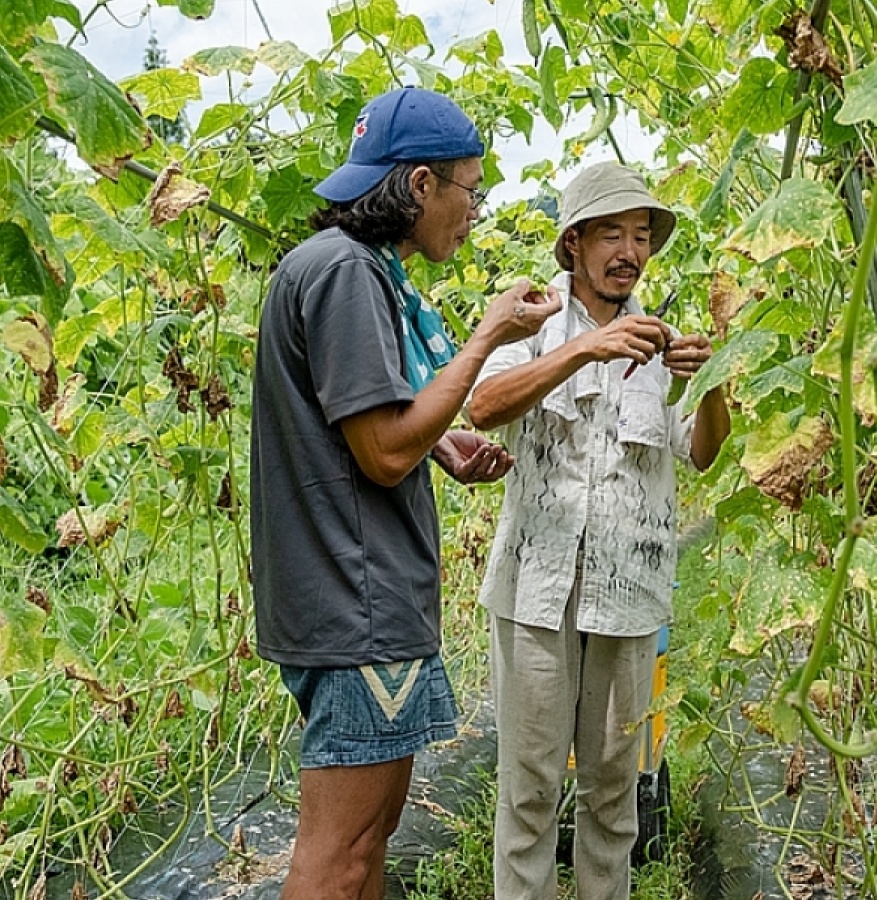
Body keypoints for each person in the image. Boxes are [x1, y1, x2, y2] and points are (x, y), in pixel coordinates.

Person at [248, 86, 560, 900]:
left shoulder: (344, 268)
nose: (474, 211)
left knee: (370, 838)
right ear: (420, 185)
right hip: (359, 604)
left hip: (351, 598)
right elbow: (384, 452)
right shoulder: (350, 275)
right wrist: (489, 334)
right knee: (342, 852)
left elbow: (369, 432)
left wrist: (442, 442)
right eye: (470, 190)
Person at [466, 162, 731, 900]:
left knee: (614, 798)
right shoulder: (533, 324)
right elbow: (483, 406)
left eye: (641, 236)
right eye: (611, 233)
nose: (629, 251)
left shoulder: (663, 344)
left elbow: (703, 451)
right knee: (529, 793)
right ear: (573, 244)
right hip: (535, 593)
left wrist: (710, 383)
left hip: (630, 597)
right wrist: (580, 350)